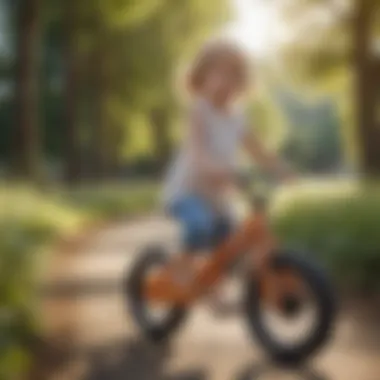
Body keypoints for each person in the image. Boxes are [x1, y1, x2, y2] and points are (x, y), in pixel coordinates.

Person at [162, 40, 293, 287]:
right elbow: (197, 155)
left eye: (234, 75)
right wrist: (224, 171)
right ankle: (182, 270)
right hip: (187, 192)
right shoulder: (199, 111)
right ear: (201, 77)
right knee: (200, 226)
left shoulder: (237, 117)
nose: (226, 81)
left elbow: (259, 151)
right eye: (218, 73)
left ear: (243, 83)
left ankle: (210, 283)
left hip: (218, 199)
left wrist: (281, 170)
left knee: (231, 245)